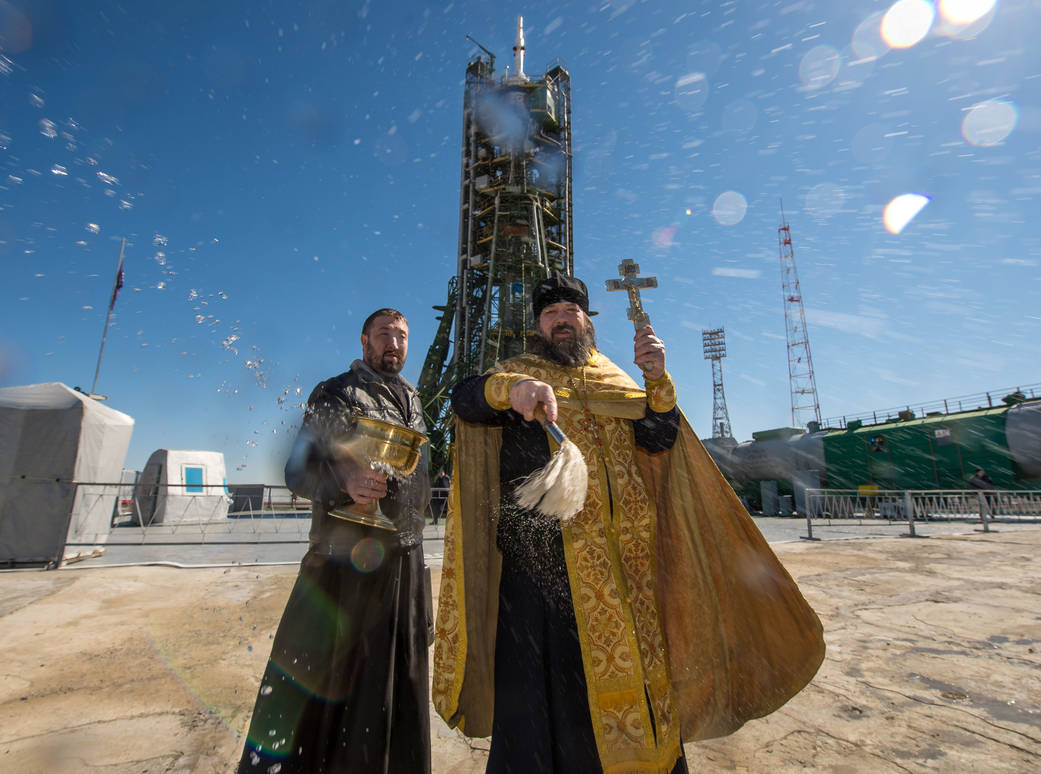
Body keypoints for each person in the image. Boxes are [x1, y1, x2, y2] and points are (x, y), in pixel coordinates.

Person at [433, 273, 825, 773]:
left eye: (570, 313)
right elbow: (465, 399)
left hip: (626, 568)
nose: (561, 321)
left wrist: (657, 379)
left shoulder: (613, 379)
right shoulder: (516, 376)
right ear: (537, 327)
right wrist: (514, 389)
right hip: (543, 573)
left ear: (587, 322)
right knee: (548, 702)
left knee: (638, 683)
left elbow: (660, 440)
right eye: (551, 314)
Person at [237, 308, 432, 774]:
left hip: (402, 565)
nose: (395, 343)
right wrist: (344, 477)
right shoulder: (337, 393)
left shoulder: (413, 398)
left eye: (402, 335)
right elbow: (298, 471)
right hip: (345, 571)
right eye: (384, 334)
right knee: (340, 692)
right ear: (364, 341)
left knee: (395, 689)